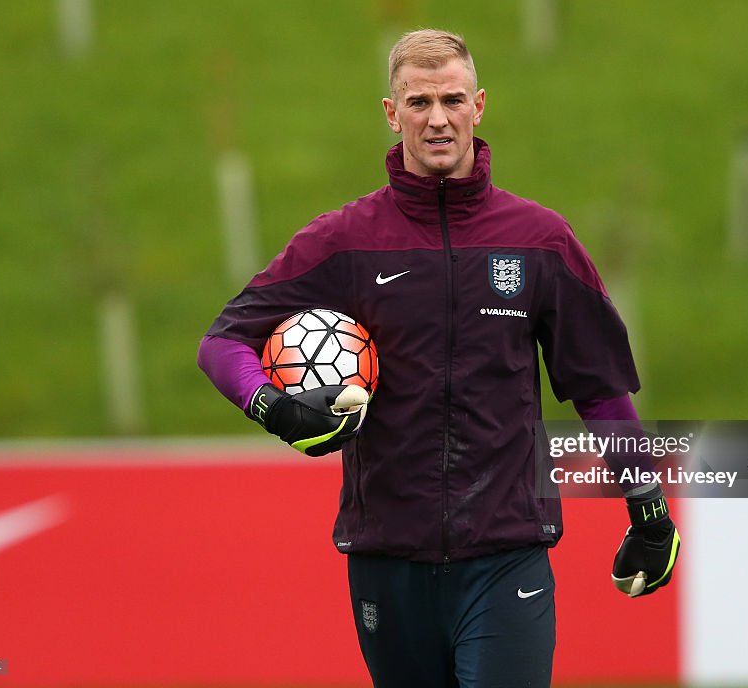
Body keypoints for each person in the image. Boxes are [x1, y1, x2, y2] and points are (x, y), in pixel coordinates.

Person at [198, 28, 679, 688]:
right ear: (392, 115)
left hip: (507, 556)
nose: (437, 119)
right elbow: (222, 343)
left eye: (452, 99)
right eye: (418, 103)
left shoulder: (540, 240)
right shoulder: (343, 242)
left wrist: (648, 508)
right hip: (386, 561)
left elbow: (598, 388)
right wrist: (275, 405)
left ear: (479, 105)